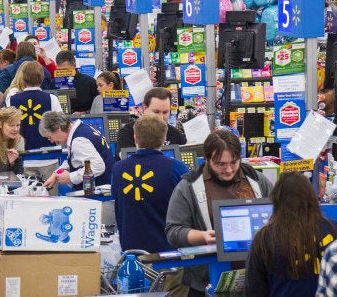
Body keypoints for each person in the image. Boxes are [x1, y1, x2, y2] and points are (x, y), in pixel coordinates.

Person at [165, 129, 273, 295]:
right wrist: (202, 237)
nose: (229, 170)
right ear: (207, 159)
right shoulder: (188, 187)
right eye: (221, 164)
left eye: (234, 162)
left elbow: (278, 217)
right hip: (207, 282)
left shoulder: (257, 181)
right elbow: (173, 231)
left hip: (255, 281)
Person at [112, 114, 189, 296]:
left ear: (135, 138)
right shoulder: (177, 168)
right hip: (169, 257)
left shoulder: (118, 169)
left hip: (132, 259)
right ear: (164, 139)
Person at [245, 172, 337, 297]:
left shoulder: (265, 238)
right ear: (312, 198)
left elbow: (254, 291)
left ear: (276, 201)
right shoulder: (336, 230)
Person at [40, 111, 115, 191]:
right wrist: (56, 173)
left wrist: (70, 177)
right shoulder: (82, 130)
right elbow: (74, 161)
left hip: (99, 193)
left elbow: (98, 167)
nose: (51, 141)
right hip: (102, 187)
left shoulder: (78, 140)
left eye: (50, 137)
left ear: (58, 128)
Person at [116, 88, 186, 159]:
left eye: (165, 112)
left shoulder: (175, 134)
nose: (161, 117)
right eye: (156, 112)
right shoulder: (127, 132)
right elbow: (126, 160)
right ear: (145, 108)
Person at [7, 61, 62, 150]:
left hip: (22, 155)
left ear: (23, 77)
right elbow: (60, 126)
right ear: (42, 77)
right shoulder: (52, 99)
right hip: (49, 155)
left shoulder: (12, 99)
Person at [0, 42, 52, 109]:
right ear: (34, 53)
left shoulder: (10, 69)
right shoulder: (44, 71)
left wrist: (0, 110)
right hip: (41, 112)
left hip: (16, 113)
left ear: (17, 53)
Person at [55, 50, 98, 114]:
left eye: (65, 70)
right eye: (59, 70)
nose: (63, 73)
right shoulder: (54, 83)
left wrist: (85, 113)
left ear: (74, 65)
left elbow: (97, 108)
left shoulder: (90, 83)